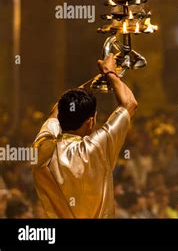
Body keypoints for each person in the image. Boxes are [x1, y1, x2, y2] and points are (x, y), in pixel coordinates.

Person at [32, 53, 137, 218]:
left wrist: (98, 79)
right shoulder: (98, 146)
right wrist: (110, 73)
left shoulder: (42, 148)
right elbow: (130, 103)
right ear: (91, 121)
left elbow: (57, 109)